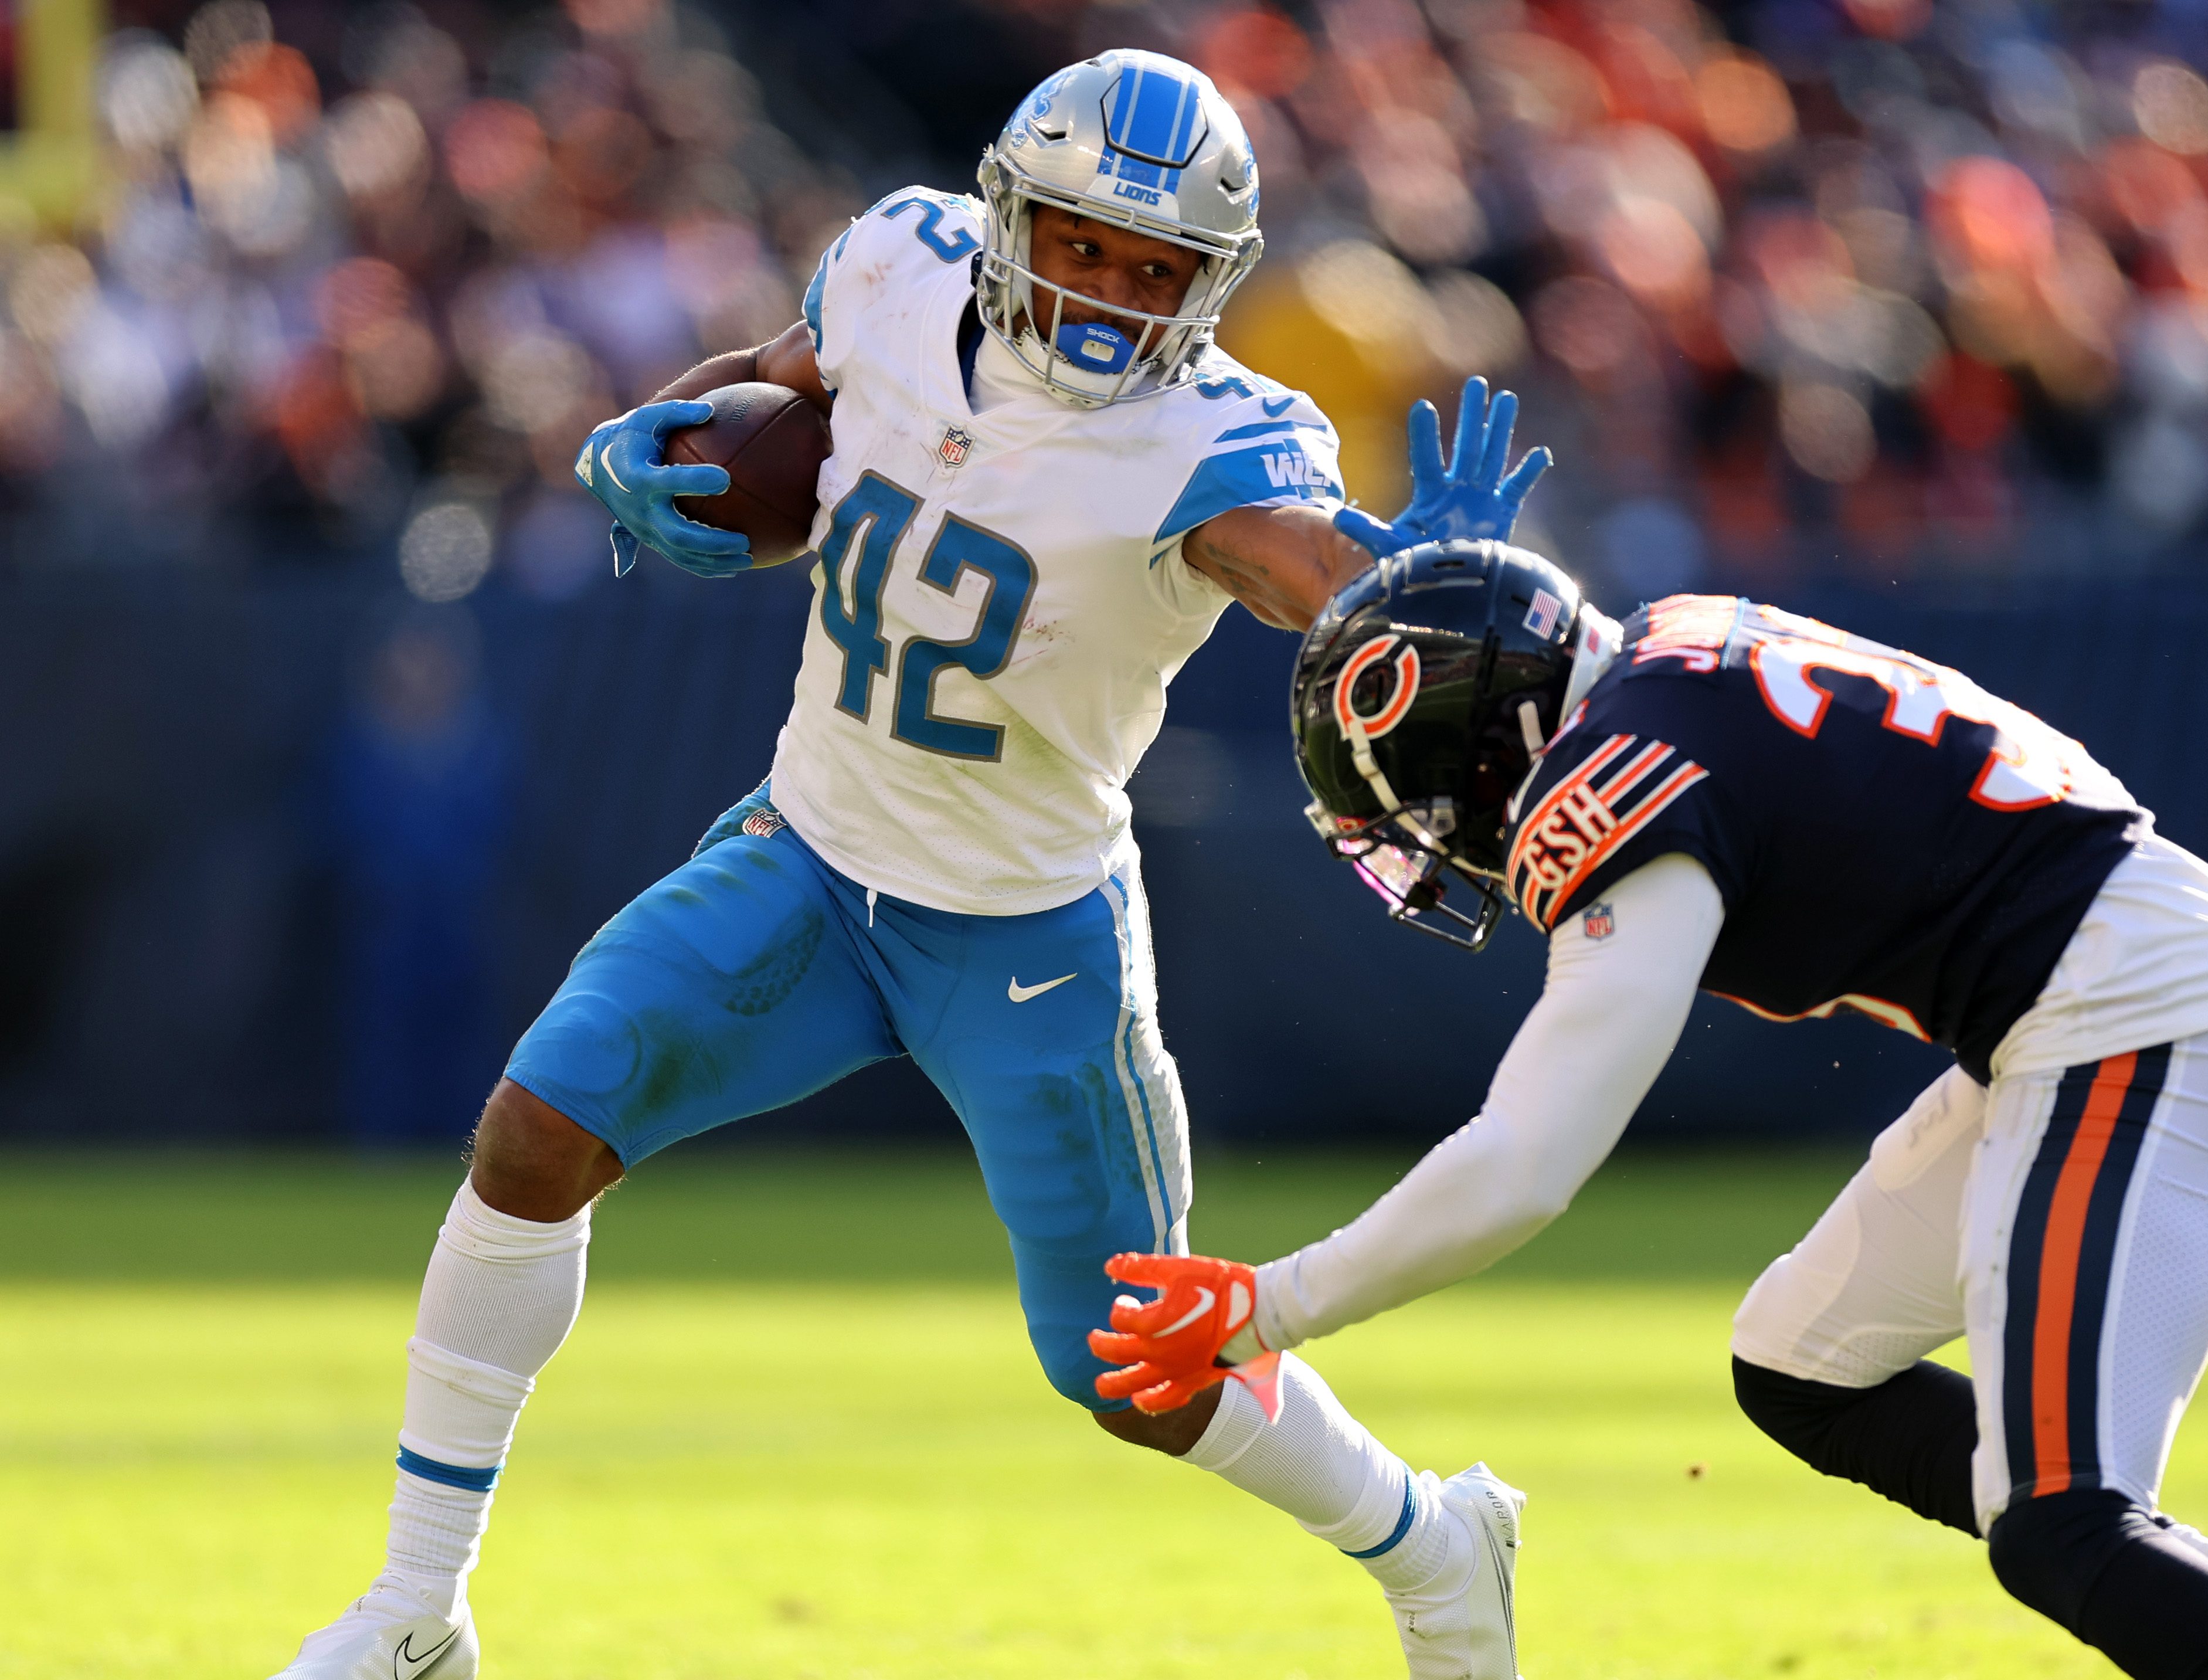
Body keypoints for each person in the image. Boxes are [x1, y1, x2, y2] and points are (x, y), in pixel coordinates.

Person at [273, 51, 1545, 1680]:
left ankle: (1437, 1548)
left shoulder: (1210, 441)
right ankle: (415, 1613)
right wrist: (648, 436)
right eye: (1079, 245)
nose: (1104, 296)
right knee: (534, 1132)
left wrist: (1422, 589)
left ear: (1205, 289)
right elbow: (793, 390)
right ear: (1008, 215)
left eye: (1152, 271)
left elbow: (1312, 568)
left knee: (1132, 1368)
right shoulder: (896, 262)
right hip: (809, 858)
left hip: (1025, 939)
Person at [1090, 544, 2208, 1678]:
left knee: (2061, 1526)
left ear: (1490, 748)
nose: (1445, 846)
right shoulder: (1671, 640)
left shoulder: (1621, 773)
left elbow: (1527, 1158)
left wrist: (1274, 1303)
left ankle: (2158, 1577)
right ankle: (2200, 1586)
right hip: (2085, 994)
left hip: (2134, 1016)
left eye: (1427, 810)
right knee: (1804, 1364)